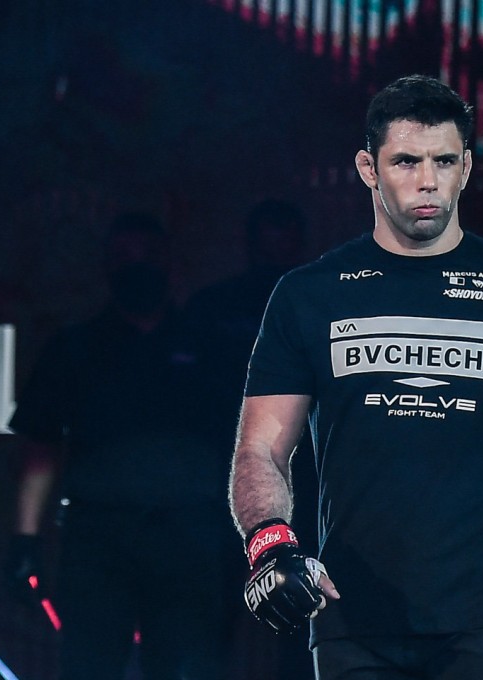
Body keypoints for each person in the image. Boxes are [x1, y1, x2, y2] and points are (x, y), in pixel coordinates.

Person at [229, 74, 483, 680]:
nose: (427, 180)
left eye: (443, 160)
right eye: (405, 160)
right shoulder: (309, 296)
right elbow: (261, 448)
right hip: (354, 615)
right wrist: (271, 546)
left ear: (468, 168)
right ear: (367, 169)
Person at [3, 212, 238, 679]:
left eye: (148, 256)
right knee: (90, 666)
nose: (137, 266)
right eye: (124, 257)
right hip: (99, 540)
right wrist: (25, 540)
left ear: (169, 263)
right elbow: (42, 446)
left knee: (187, 668)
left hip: (190, 539)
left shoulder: (212, 348)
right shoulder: (74, 348)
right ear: (107, 267)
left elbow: (246, 447)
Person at [184, 198, 316, 678]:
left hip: (307, 480)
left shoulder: (319, 306)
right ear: (251, 241)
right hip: (219, 478)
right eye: (269, 233)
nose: (278, 244)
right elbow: (188, 400)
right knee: (208, 616)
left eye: (286, 233)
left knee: (302, 606)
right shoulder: (213, 307)